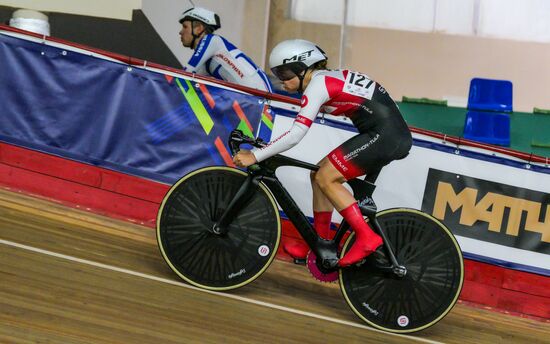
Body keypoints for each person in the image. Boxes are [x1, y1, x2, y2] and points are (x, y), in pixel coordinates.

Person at [233, 39, 413, 267]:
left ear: (303, 69)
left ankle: (367, 237)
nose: (282, 80)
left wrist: (256, 155)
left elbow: (296, 133)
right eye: (277, 73)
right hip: (386, 133)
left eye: (286, 72)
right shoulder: (325, 79)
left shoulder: (318, 85)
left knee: (326, 177)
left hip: (386, 136)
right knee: (318, 175)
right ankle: (319, 244)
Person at [178, 7, 272, 92]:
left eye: (185, 27)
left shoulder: (212, 40)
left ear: (199, 29)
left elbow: (187, 72)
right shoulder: (205, 62)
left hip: (260, 92)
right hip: (251, 99)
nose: (180, 32)